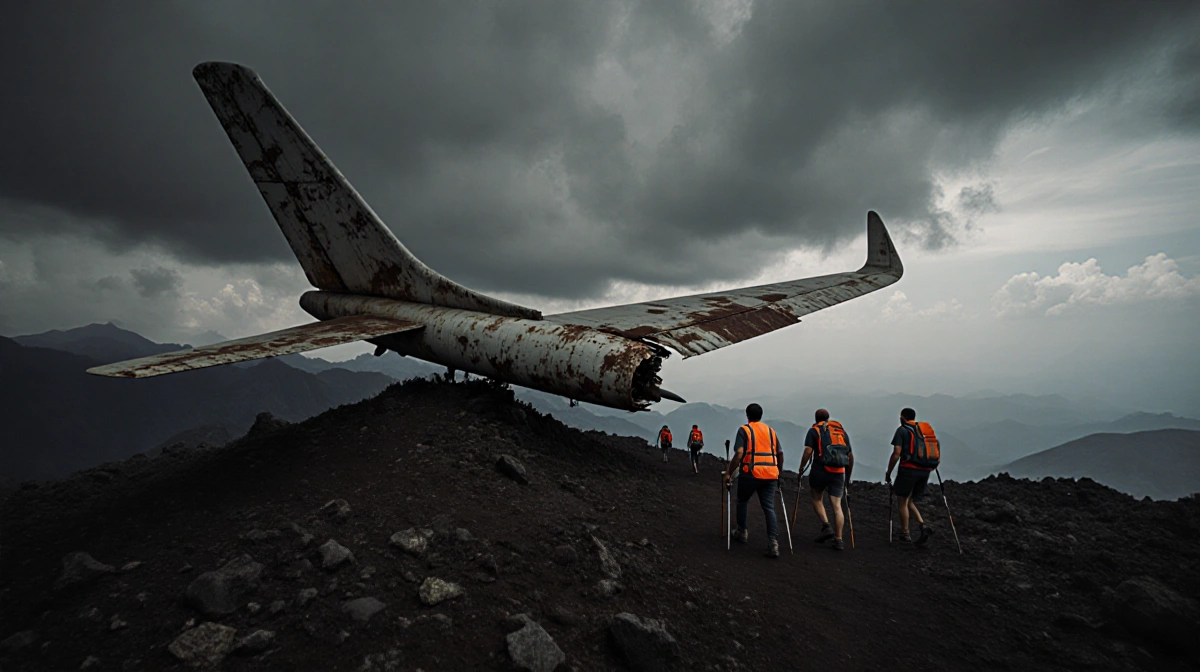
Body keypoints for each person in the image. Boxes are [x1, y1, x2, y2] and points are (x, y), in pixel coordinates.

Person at [723, 403, 784, 558]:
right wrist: (779, 472)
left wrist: (729, 473)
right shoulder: (771, 431)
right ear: (761, 415)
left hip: (750, 473)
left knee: (742, 501)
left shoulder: (745, 430)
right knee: (769, 507)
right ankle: (773, 544)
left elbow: (739, 453)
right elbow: (780, 453)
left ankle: (742, 531)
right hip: (771, 474)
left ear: (747, 415)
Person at [799, 409, 854, 551]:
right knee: (837, 506)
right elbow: (850, 455)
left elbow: (808, 451)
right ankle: (839, 539)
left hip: (820, 470)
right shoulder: (840, 431)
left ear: (816, 418)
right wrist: (847, 475)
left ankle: (826, 525)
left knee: (817, 498)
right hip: (839, 472)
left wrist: (801, 468)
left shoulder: (814, 430)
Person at [885, 407, 936, 545]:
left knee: (902, 500)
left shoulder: (902, 430)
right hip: (925, 470)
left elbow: (897, 452)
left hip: (909, 470)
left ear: (903, 417)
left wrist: (888, 472)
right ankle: (922, 526)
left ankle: (905, 533)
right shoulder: (923, 431)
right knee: (910, 501)